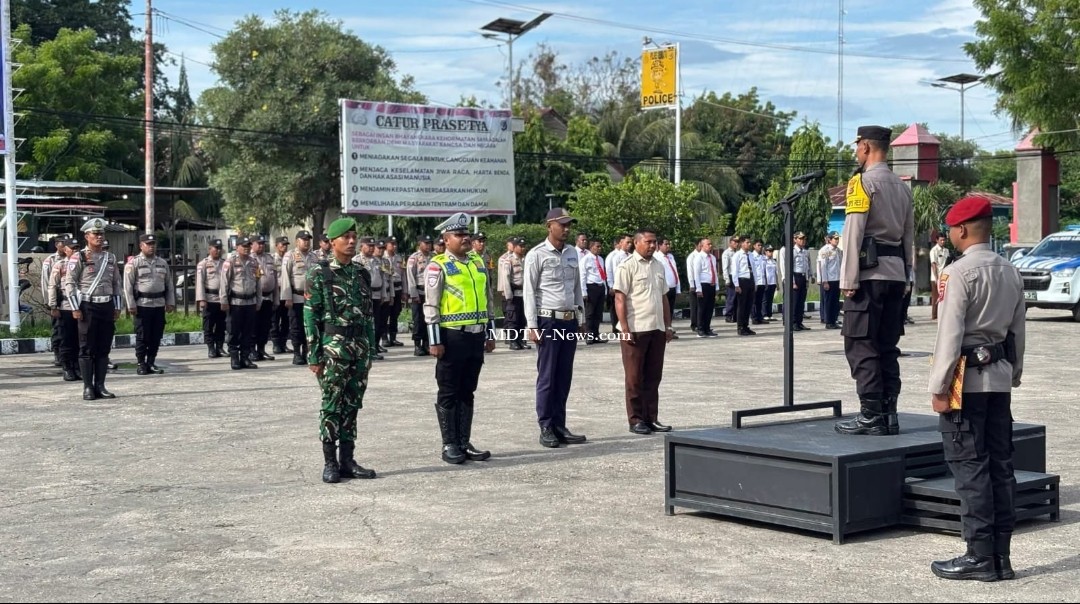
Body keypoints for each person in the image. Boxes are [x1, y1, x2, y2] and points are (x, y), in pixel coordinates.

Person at [927, 196, 1026, 582]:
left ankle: (979, 555)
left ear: (963, 230)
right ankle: (1001, 556)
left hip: (965, 384)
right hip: (999, 380)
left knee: (971, 469)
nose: (951, 234)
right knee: (1001, 468)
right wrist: (1013, 372)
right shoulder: (1010, 271)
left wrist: (938, 385)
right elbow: (1018, 332)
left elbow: (949, 337)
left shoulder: (958, 273)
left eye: (952, 229)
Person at [835, 125, 916, 436]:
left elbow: (854, 231)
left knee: (860, 344)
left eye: (858, 147)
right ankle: (889, 413)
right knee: (886, 345)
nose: (857, 152)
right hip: (895, 275)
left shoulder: (862, 183)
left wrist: (849, 279)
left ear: (866, 147)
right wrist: (907, 277)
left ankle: (870, 415)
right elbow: (908, 236)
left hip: (868, 276)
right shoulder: (901, 186)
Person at [304, 217, 378, 483]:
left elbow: (369, 316)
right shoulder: (320, 273)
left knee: (353, 404)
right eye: (345, 237)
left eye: (353, 237)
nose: (351, 241)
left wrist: (369, 349)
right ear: (332, 242)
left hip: (359, 348)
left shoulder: (361, 273)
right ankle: (330, 462)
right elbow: (311, 317)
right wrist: (313, 355)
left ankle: (348, 460)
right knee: (332, 405)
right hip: (333, 348)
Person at [423, 213, 497, 464]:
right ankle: (449, 444)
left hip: (475, 336)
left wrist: (490, 332)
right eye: (459, 235)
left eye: (467, 234)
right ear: (446, 239)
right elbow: (430, 305)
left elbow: (487, 297)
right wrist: (434, 340)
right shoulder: (438, 265)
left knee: (468, 390)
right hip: (452, 336)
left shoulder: (477, 262)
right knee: (449, 391)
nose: (465, 239)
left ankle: (464, 441)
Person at [525, 208, 587, 448]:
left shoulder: (572, 253)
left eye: (569, 224)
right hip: (547, 321)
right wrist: (532, 325)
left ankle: (560, 425)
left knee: (564, 376)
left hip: (569, 319)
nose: (567, 228)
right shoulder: (536, 254)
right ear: (549, 226)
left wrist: (580, 318)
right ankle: (546, 426)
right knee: (548, 376)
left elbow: (577, 287)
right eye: (562, 224)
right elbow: (529, 292)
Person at [614, 228, 674, 435]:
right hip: (636, 329)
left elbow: (664, 297)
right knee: (634, 377)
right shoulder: (627, 266)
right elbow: (619, 298)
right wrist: (624, 328)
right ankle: (636, 419)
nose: (652, 245)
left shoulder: (658, 265)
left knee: (653, 376)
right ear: (637, 243)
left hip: (656, 328)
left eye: (654, 242)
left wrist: (668, 326)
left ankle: (651, 418)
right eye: (648, 242)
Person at [62, 218, 123, 401]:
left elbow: (116, 284)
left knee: (103, 348)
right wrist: (75, 307)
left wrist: (118, 306)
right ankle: (88, 387)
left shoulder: (109, 258)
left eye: (101, 234)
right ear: (87, 236)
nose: (99, 237)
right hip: (87, 306)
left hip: (106, 306)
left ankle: (101, 385)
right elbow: (70, 283)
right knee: (86, 348)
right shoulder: (78, 257)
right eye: (95, 234)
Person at [123, 233, 175, 375]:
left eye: (153, 244)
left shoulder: (162, 263)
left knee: (156, 335)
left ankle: (151, 362)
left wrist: (170, 302)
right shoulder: (134, 263)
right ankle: (141, 363)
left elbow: (169, 284)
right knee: (142, 336)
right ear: (141, 246)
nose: (151, 247)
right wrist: (131, 304)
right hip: (142, 305)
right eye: (148, 244)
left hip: (158, 304)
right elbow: (128, 286)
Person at [221, 237, 262, 370]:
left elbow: (258, 282)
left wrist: (258, 300)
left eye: (248, 246)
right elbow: (224, 282)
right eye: (243, 246)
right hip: (236, 302)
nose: (246, 248)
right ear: (237, 247)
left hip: (250, 301)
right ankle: (234, 358)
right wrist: (224, 300)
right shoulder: (231, 261)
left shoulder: (254, 262)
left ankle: (245, 357)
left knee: (248, 331)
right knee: (234, 331)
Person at [280, 230, 318, 365]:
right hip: (296, 297)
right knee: (296, 326)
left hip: (311, 298)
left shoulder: (314, 257)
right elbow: (285, 276)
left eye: (308, 239)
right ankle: (297, 353)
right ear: (297, 241)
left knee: (310, 326)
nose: (306, 242)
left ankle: (306, 352)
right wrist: (287, 297)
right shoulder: (290, 255)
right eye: (304, 239)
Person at [47, 237, 80, 381]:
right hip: (65, 307)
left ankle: (78, 367)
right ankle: (67, 367)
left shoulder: (84, 263)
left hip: (81, 306)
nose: (75, 251)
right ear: (65, 250)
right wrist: (53, 306)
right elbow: (52, 286)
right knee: (66, 339)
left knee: (80, 340)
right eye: (72, 248)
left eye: (77, 248)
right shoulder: (59, 265)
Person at [195, 239, 227, 359]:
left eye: (219, 248)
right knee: (208, 325)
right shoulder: (203, 264)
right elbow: (200, 283)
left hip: (221, 299)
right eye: (215, 248)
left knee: (221, 325)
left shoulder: (225, 263)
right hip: (209, 299)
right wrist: (202, 299)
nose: (218, 250)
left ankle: (219, 347)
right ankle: (211, 348)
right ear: (210, 249)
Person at [251, 235, 279, 362]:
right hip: (255, 298)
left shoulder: (269, 258)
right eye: (259, 243)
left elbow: (275, 278)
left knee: (265, 326)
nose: (261, 245)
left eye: (263, 243)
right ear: (252, 244)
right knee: (254, 325)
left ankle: (261, 349)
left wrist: (276, 299)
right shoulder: (249, 259)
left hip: (268, 298)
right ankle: (252, 350)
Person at [498, 236, 529, 350]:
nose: (523, 248)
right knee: (512, 319)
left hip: (524, 293)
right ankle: (513, 341)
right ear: (515, 247)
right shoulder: (508, 260)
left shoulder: (526, 259)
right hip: (514, 293)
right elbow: (505, 279)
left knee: (522, 319)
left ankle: (521, 340)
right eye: (520, 246)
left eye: (524, 246)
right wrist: (508, 295)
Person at [41, 235, 68, 367]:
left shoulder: (73, 259)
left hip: (70, 301)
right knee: (57, 328)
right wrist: (50, 303)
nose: (65, 246)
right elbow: (46, 282)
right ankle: (57, 353)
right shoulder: (50, 260)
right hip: (56, 299)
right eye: (63, 243)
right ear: (57, 244)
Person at [407, 235, 434, 356]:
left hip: (431, 293)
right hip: (419, 292)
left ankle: (427, 344)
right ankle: (417, 345)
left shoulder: (434, 257)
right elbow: (410, 277)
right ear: (420, 244)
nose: (428, 245)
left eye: (430, 243)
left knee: (429, 319)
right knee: (418, 320)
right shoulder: (414, 258)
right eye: (426, 243)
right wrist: (414, 294)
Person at [690, 238, 718, 337]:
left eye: (711, 244)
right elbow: (696, 274)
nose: (710, 246)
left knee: (710, 308)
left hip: (711, 284)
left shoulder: (713, 258)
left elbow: (714, 272)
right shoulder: (699, 257)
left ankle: (707, 328)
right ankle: (700, 328)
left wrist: (716, 286)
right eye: (708, 244)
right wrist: (698, 288)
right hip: (703, 284)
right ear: (702, 246)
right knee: (702, 308)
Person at [383, 236, 406, 347]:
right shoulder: (383, 258)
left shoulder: (399, 258)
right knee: (385, 314)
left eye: (395, 244)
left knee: (395, 314)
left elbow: (403, 275)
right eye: (392, 244)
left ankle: (393, 337)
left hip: (398, 289)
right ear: (386, 245)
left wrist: (405, 292)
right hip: (387, 290)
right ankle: (384, 338)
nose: (394, 246)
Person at [731, 237, 756, 336]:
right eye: (747, 242)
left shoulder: (750, 255)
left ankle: (746, 326)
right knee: (741, 305)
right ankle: (740, 327)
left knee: (748, 305)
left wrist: (755, 283)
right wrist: (736, 285)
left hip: (750, 280)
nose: (749, 244)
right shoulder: (737, 255)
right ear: (741, 243)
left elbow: (754, 269)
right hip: (742, 281)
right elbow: (734, 271)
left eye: (750, 242)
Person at [271, 236, 292, 355]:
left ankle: (283, 343)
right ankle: (275, 344)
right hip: (277, 291)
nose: (284, 247)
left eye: (286, 244)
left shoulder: (289, 258)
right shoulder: (272, 259)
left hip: (287, 291)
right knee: (275, 319)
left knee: (286, 319)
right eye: (282, 244)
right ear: (276, 245)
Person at [817, 231, 843, 329]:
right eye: (835, 239)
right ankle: (828, 321)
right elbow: (823, 267)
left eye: (837, 239)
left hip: (837, 279)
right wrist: (825, 281)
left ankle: (834, 320)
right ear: (829, 239)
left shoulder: (839, 251)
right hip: (829, 279)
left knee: (835, 302)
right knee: (829, 302)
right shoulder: (825, 250)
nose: (837, 241)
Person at [658, 238, 681, 339]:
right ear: (659, 245)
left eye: (669, 244)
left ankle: (669, 329)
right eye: (666, 244)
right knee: (662, 310)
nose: (668, 246)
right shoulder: (657, 257)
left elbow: (675, 272)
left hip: (672, 286)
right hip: (663, 288)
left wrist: (678, 288)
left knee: (670, 310)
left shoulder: (670, 257)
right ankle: (662, 331)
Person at [929, 234, 950, 321]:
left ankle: (943, 314)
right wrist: (937, 278)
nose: (943, 242)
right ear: (937, 240)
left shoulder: (946, 250)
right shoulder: (934, 250)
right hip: (936, 277)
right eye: (941, 240)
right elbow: (934, 264)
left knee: (945, 296)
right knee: (936, 296)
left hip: (945, 277)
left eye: (944, 240)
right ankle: (934, 315)